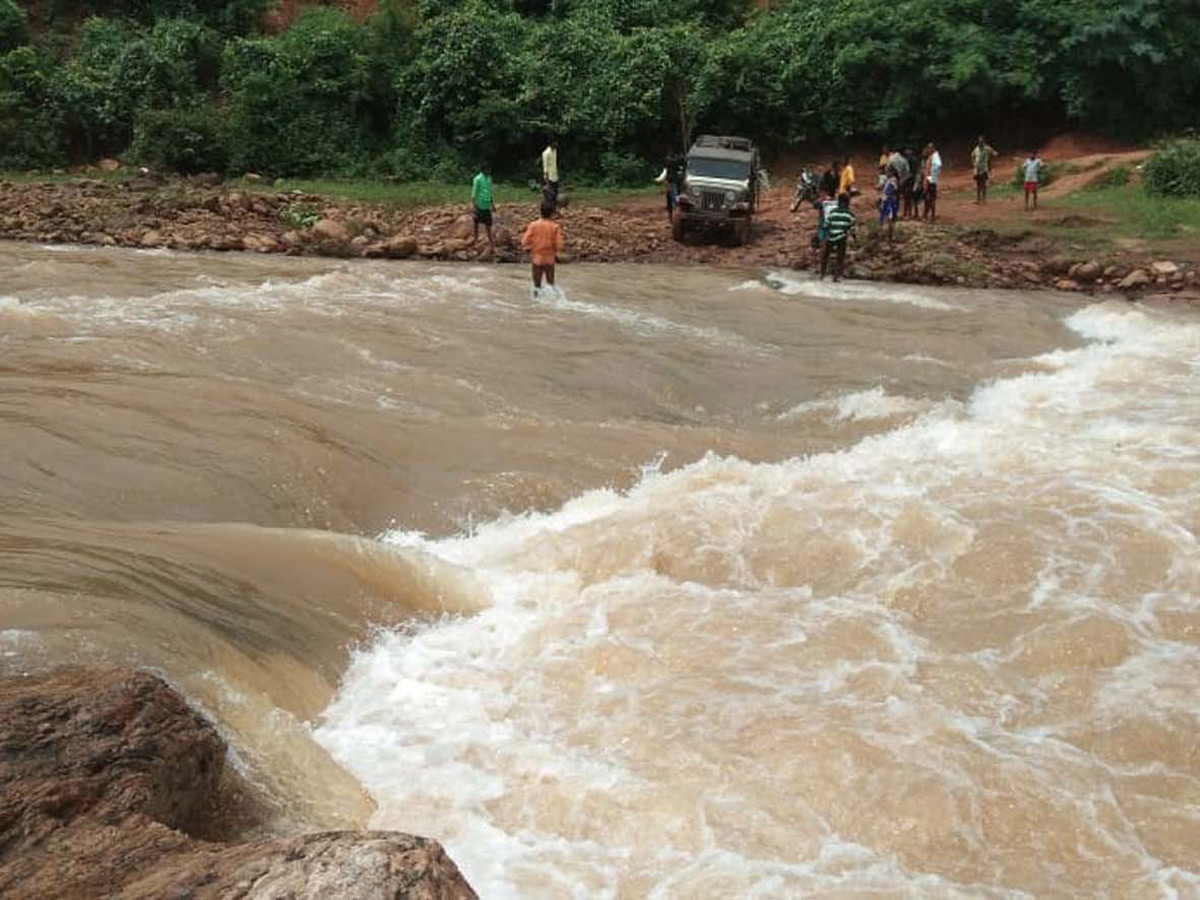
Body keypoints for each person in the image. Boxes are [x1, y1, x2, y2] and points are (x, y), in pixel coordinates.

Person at [522, 200, 564, 291]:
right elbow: (560, 244)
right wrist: (556, 251)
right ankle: (552, 302)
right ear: (552, 214)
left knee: (536, 286)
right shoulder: (555, 227)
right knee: (551, 284)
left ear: (540, 211)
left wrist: (528, 248)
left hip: (537, 258)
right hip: (549, 259)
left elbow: (524, 241)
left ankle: (537, 302)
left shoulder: (533, 225)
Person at [820, 193, 856, 282]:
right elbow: (852, 229)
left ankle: (822, 274)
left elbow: (826, 225)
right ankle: (836, 276)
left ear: (838, 202)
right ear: (848, 203)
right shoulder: (849, 214)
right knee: (840, 257)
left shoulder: (833, 212)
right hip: (841, 237)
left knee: (825, 256)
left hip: (830, 237)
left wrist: (824, 236)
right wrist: (855, 238)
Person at [470, 163, 495, 255]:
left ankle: (491, 242)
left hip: (486, 204)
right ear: (484, 170)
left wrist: (492, 204)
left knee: (488, 224)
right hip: (479, 204)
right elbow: (474, 192)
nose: (489, 171)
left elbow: (489, 192)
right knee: (476, 224)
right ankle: (475, 242)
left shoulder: (489, 178)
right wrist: (473, 205)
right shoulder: (477, 179)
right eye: (488, 169)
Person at [654, 153, 685, 222]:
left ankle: (672, 216)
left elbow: (663, 176)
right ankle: (674, 214)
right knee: (675, 199)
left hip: (673, 183)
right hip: (677, 184)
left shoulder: (669, 167)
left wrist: (658, 180)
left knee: (672, 200)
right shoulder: (682, 168)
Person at [971, 135, 999, 204]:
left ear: (983, 142)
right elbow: (972, 155)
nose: (980, 142)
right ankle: (978, 199)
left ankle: (984, 199)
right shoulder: (977, 148)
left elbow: (994, 153)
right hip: (977, 168)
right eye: (979, 141)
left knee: (983, 184)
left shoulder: (987, 148)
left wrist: (993, 156)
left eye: (981, 141)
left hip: (984, 168)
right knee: (978, 184)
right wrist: (974, 164)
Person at [923, 142, 943, 220]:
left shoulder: (935, 157)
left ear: (933, 148)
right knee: (928, 198)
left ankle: (932, 215)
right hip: (930, 180)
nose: (928, 149)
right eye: (928, 148)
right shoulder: (931, 157)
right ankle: (928, 214)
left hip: (931, 181)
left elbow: (938, 166)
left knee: (930, 198)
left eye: (930, 148)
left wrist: (931, 177)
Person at [879, 167, 899, 242]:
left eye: (888, 172)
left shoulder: (892, 181)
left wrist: (883, 199)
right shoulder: (889, 181)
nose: (886, 174)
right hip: (888, 201)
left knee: (889, 218)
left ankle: (890, 235)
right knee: (889, 218)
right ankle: (889, 235)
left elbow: (889, 192)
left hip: (889, 201)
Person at [541, 138, 559, 213]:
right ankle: (549, 210)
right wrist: (546, 179)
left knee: (555, 194)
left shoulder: (555, 151)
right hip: (549, 177)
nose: (556, 144)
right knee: (549, 195)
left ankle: (554, 210)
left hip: (555, 175)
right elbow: (545, 167)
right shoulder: (546, 153)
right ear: (551, 143)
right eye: (555, 143)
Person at [902, 146, 920, 218]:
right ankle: (912, 213)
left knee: (908, 198)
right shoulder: (910, 159)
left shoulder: (911, 160)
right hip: (911, 180)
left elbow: (912, 172)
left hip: (910, 181)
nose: (907, 152)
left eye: (908, 150)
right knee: (911, 199)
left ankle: (908, 214)